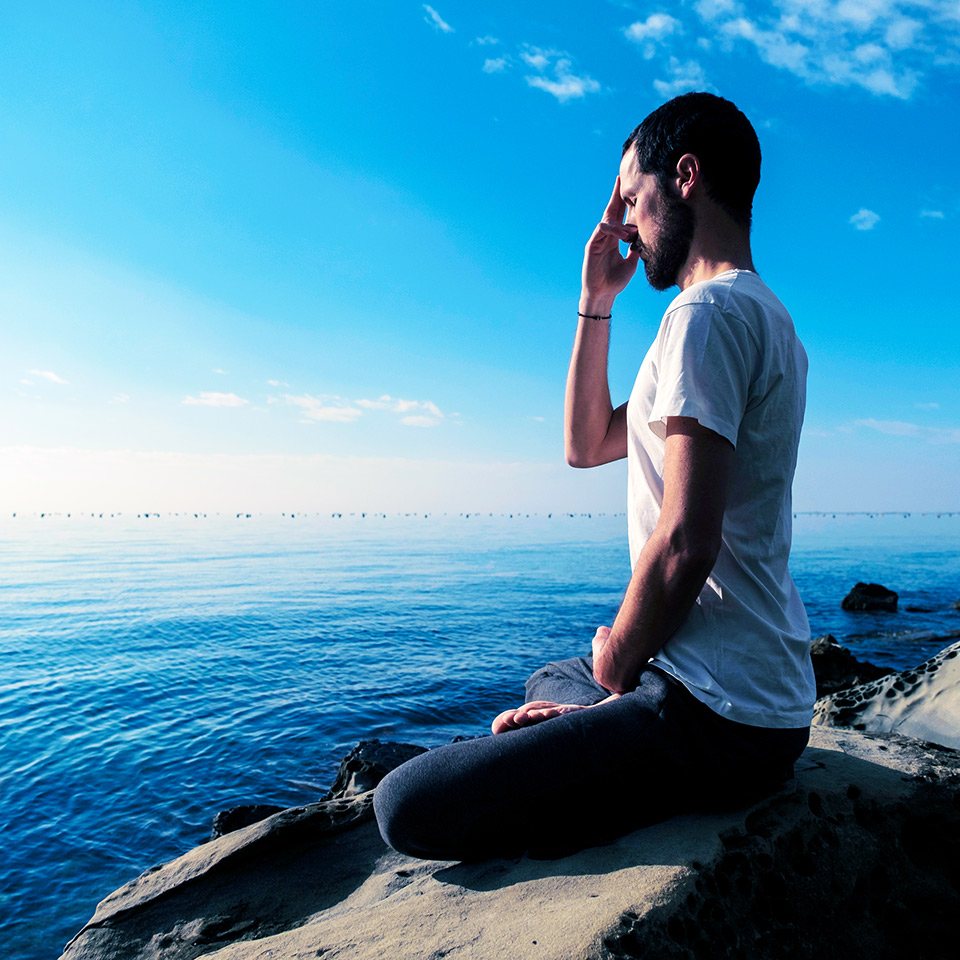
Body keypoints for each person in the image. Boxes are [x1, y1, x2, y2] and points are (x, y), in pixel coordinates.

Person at [374, 92, 815, 862]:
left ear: (684, 177)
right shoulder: (764, 316)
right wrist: (595, 297)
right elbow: (584, 444)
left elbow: (686, 540)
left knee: (404, 805)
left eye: (633, 199)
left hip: (713, 713)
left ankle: (612, 762)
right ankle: (602, 731)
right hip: (766, 706)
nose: (629, 229)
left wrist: (615, 670)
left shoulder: (705, 318)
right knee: (553, 673)